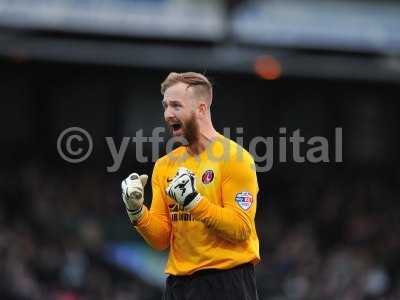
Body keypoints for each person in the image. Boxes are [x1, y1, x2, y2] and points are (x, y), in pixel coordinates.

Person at [121, 72, 260, 300]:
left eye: (176, 105)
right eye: (165, 106)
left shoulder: (235, 159)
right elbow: (160, 239)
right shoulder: (165, 165)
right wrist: (137, 211)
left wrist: (194, 202)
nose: (167, 114)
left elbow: (241, 228)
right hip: (179, 285)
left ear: (202, 109)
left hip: (226, 281)